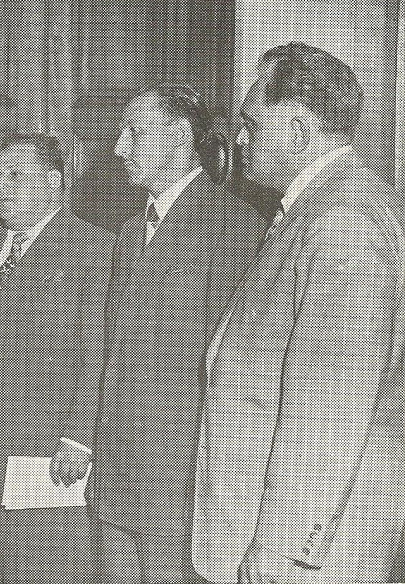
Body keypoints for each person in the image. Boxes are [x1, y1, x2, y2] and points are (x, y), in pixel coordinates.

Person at [193, 42, 405, 584]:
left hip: (304, 557)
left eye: (251, 122)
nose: (240, 139)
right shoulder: (318, 208)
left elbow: (328, 417)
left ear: (298, 130)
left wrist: (274, 557)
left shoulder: (343, 222)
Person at [90, 85, 265, 583]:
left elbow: (239, 371)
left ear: (180, 137)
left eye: (135, 133)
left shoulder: (234, 227)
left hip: (181, 482)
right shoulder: (129, 232)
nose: (119, 149)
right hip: (117, 475)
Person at [0, 133, 114, 583]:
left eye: (15, 175)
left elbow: (98, 352)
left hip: (40, 452)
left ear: (53, 183)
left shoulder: (95, 250)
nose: (1, 188)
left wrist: (79, 438)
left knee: (40, 569)